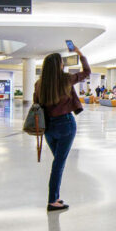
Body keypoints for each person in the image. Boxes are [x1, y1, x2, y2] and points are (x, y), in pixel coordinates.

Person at [34, 44, 91, 211]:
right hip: (66, 124)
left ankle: (55, 198)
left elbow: (36, 104)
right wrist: (80, 54)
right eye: (61, 63)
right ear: (58, 65)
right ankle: (52, 200)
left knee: (58, 162)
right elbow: (87, 72)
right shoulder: (65, 79)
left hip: (49, 128)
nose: (63, 65)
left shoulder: (39, 84)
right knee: (58, 164)